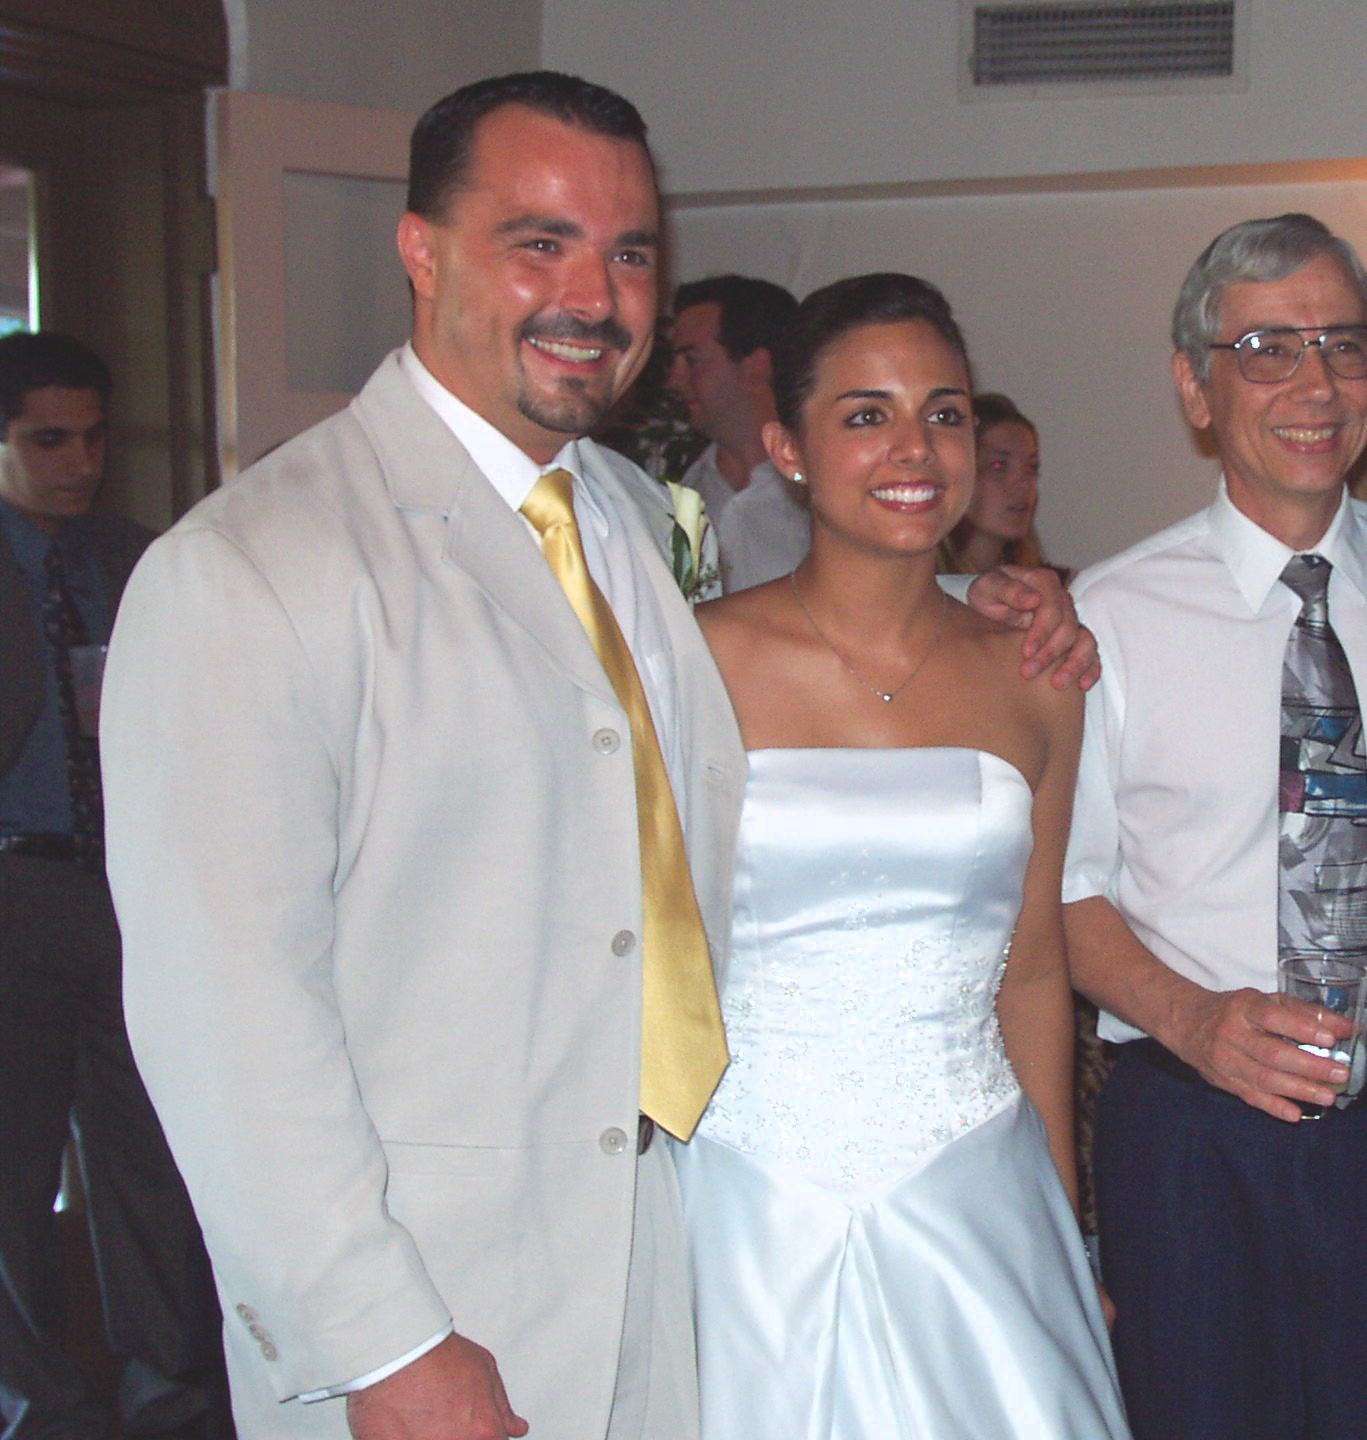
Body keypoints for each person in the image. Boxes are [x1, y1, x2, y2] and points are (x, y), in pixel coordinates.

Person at [98, 72, 1091, 1440]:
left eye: (628, 254)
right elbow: (225, 1024)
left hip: (675, 1274)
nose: (595, 292)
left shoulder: (629, 516)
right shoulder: (252, 569)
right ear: (421, 249)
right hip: (437, 1318)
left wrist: (1003, 606)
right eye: (538, 242)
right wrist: (385, 1346)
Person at [1061, 212, 1367, 1440]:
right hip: (1198, 1133)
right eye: (1267, 348)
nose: (1315, 384)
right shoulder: (1112, 613)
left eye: (1344, 345)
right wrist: (1195, 1022)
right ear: (1195, 388)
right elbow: (1067, 893)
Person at [676, 272, 1126, 1438]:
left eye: (945, 410)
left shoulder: (1039, 673)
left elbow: (1031, 969)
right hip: (743, 1193)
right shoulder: (693, 664)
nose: (914, 447)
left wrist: (1064, 1227)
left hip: (973, 1186)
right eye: (865, 414)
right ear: (786, 445)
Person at [0, 331, 231, 1438]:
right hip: (14, 886)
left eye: (93, 438)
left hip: (134, 889)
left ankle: (165, 1388)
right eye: (49, 440)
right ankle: (37, 1402)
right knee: (14, 1162)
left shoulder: (142, 556)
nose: (78, 461)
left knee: (147, 1155)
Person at [664, 274, 812, 590]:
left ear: (755, 364)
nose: (674, 381)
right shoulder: (680, 494)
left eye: (692, 360)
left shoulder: (823, 493)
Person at [936, 391, 1049, 573]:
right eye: (999, 466)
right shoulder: (921, 589)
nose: (1023, 483)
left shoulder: (1050, 587)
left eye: (1031, 468)